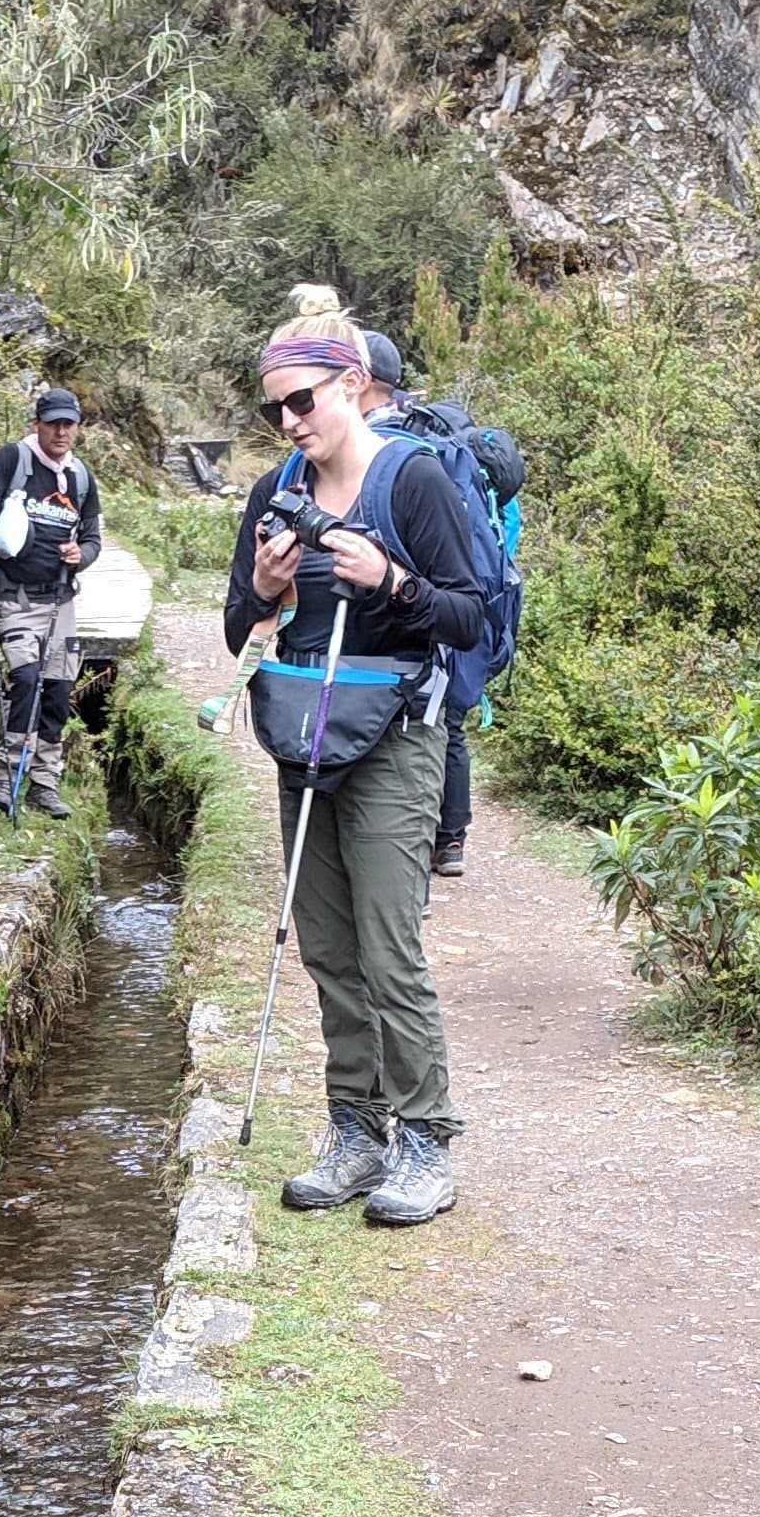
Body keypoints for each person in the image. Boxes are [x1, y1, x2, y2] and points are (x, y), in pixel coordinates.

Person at [223, 288, 485, 1227]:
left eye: (304, 402)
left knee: (388, 944)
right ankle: (356, 1131)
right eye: (274, 411)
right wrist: (261, 585)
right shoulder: (276, 490)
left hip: (395, 740)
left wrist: (397, 582)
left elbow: (473, 613)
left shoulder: (413, 481)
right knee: (330, 947)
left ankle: (424, 1139)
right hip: (305, 733)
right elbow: (234, 630)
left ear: (354, 385)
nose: (290, 423)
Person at [358, 329, 475, 880]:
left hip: (407, 628)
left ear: (356, 382)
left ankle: (409, 857)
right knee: (448, 723)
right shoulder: (433, 440)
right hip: (442, 628)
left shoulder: (387, 451)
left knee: (419, 728)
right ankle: (448, 841)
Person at [0, 388, 102, 819]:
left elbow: (93, 537)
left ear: (77, 427)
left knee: (57, 689)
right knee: (27, 678)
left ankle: (44, 782)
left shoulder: (80, 477)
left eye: (69, 424)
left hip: (60, 598)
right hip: (13, 596)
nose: (61, 431)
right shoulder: (13, 460)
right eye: (53, 422)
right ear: (36, 423)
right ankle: (6, 775)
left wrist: (83, 556)